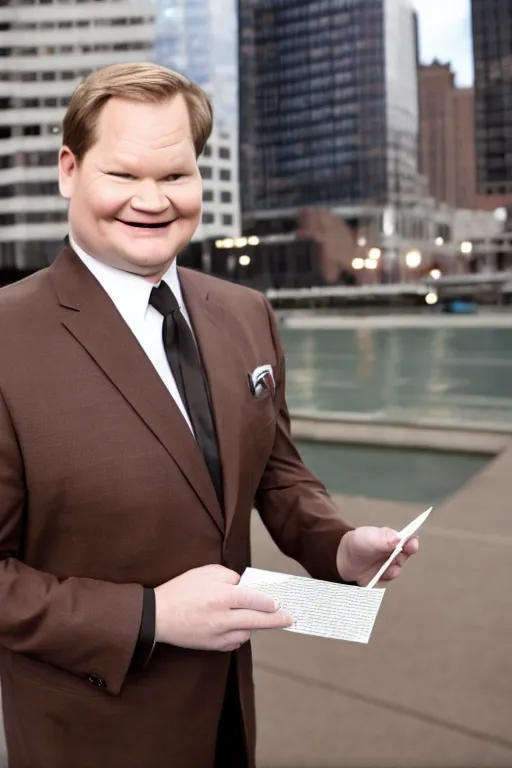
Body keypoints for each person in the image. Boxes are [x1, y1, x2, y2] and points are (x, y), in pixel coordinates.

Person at [0, 62, 419, 768]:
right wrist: (152, 617)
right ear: (69, 170)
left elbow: (277, 473)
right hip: (93, 733)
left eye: (175, 176)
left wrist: (340, 546)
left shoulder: (244, 311)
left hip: (229, 717)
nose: (152, 200)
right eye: (123, 174)